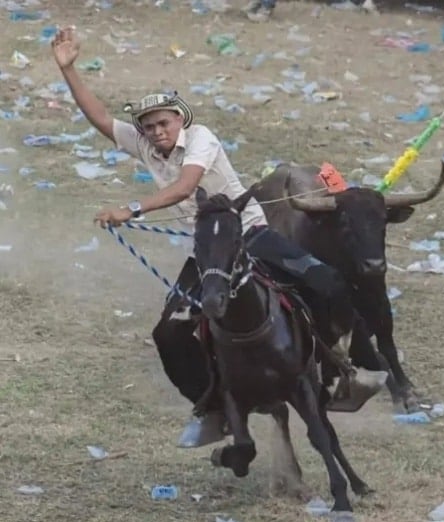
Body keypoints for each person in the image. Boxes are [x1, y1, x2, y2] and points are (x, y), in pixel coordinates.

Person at [51, 26, 378, 448]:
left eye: (163, 122)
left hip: (250, 234)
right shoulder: (148, 146)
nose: (155, 132)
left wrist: (129, 210)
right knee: (168, 334)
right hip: (210, 252)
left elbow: (186, 187)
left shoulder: (202, 138)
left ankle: (347, 369)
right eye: (147, 126)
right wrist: (70, 69)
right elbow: (99, 118)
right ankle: (212, 406)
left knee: (328, 283)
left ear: (180, 120)